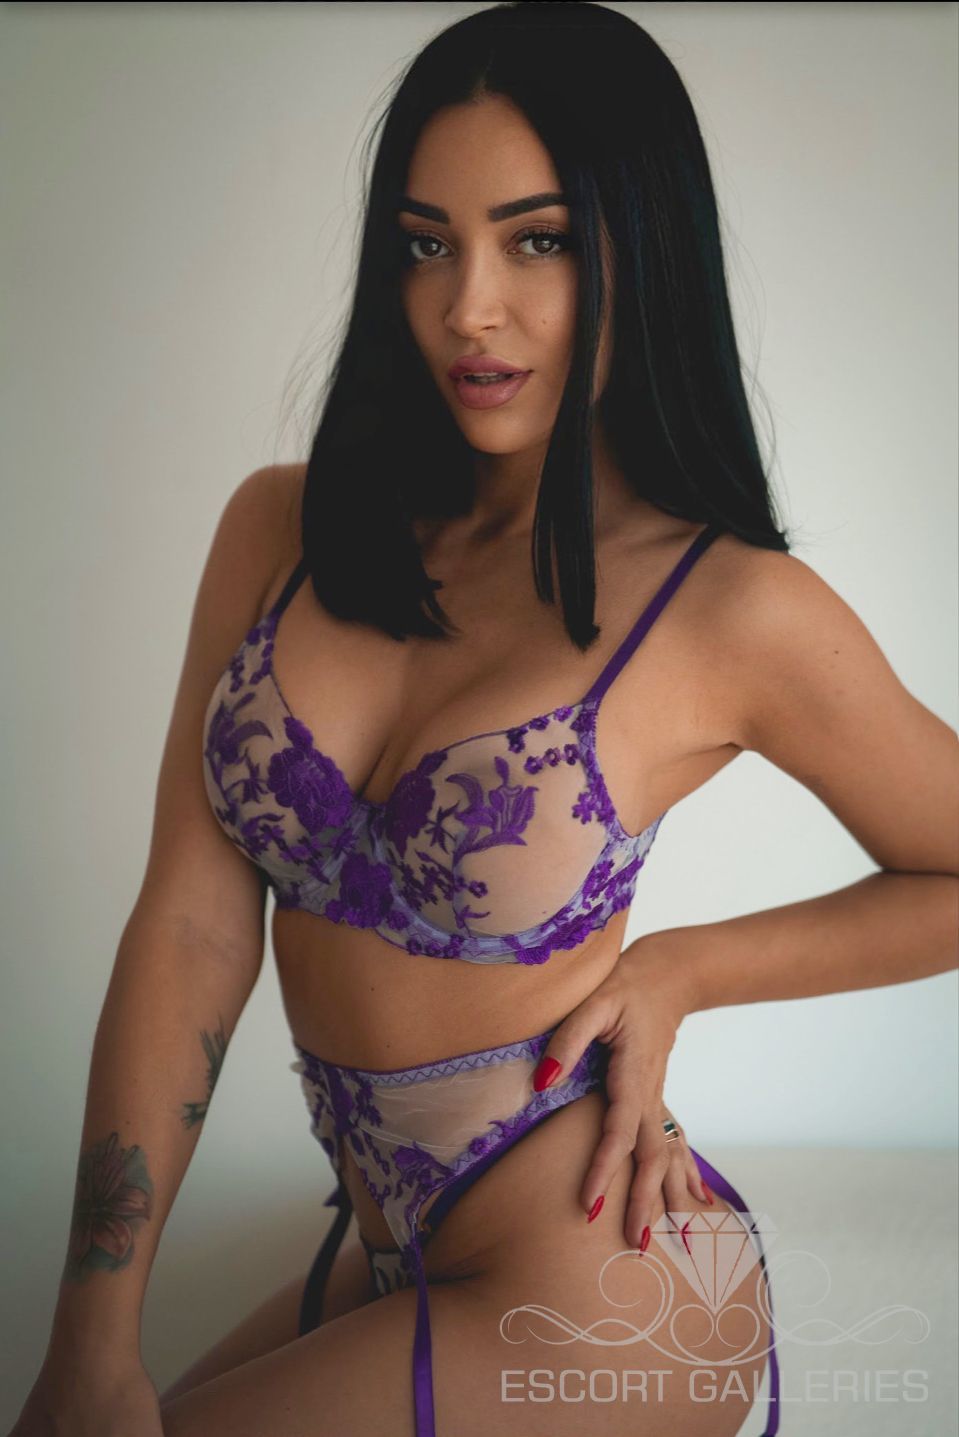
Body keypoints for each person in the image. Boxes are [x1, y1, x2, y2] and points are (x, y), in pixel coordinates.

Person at [10, 5, 958, 1436]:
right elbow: (193, 930)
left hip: (606, 1277)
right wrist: (92, 1337)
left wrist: (684, 970)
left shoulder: (728, 608)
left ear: (641, 248)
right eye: (425, 243)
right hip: (392, 1246)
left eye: (538, 240)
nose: (467, 308)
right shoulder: (279, 531)